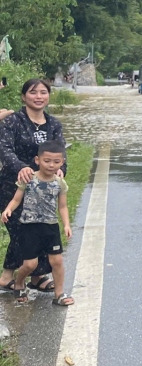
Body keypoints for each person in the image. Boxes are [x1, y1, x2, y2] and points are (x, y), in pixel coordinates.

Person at [0, 78, 68, 293]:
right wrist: (22, 167)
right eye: (33, 92)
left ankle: (31, 276)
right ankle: (22, 276)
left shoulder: (53, 124)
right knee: (20, 231)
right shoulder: (12, 121)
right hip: (14, 185)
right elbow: (5, 149)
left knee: (38, 231)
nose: (38, 97)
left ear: (48, 96)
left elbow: (61, 153)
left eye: (43, 92)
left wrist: (60, 171)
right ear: (23, 96)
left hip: (44, 191)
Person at [4, 142, 72, 306]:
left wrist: (66, 225)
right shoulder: (28, 179)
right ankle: (19, 282)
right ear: (37, 160)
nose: (51, 165)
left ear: (62, 162)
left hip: (50, 226)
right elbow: (16, 199)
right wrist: (8, 210)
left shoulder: (60, 183)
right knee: (30, 264)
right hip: (29, 227)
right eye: (47, 160)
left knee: (57, 262)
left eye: (56, 162)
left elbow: (62, 206)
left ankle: (59, 294)